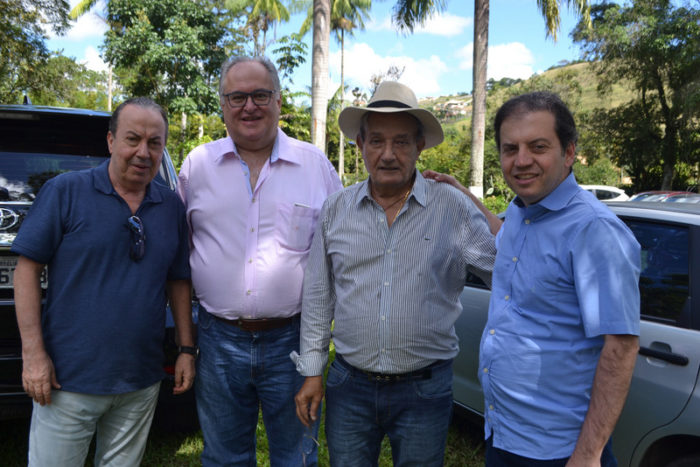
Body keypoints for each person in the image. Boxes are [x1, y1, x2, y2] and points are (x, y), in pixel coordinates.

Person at [292, 81, 497, 466]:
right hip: (349, 385)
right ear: (360, 145)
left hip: (425, 389)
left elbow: (507, 272)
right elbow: (319, 297)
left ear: (420, 145)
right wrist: (312, 371)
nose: (388, 154)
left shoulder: (451, 206)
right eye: (377, 142)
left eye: (401, 142)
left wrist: (475, 203)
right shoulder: (335, 210)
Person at [177, 55, 342, 466]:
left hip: (293, 339)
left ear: (279, 101)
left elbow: (342, 247)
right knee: (224, 456)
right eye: (236, 97)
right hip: (218, 339)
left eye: (260, 95)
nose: (248, 106)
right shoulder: (197, 166)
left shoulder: (315, 165)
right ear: (222, 105)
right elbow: (178, 256)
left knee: (297, 454)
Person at [12, 97, 195, 466]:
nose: (143, 152)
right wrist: (33, 355)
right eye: (132, 139)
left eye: (154, 143)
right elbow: (26, 270)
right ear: (111, 141)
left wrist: (186, 350)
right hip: (69, 379)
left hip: (140, 380)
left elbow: (178, 281)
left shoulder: (170, 206)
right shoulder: (66, 192)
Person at [474, 91, 640, 466]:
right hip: (503, 433)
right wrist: (458, 193)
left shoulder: (594, 229)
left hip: (559, 451)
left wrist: (587, 454)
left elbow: (621, 346)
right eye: (509, 148)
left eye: (538, 146)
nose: (521, 161)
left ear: (568, 153)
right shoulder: (520, 213)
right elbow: (504, 237)